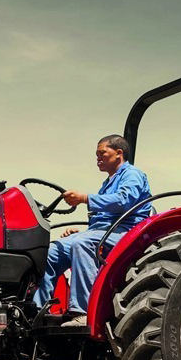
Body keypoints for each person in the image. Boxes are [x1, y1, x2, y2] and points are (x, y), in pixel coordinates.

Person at [33, 134, 152, 327]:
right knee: (52, 251)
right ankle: (37, 312)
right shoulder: (108, 183)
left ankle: (82, 313)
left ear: (119, 153)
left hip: (126, 231)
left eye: (102, 153)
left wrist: (84, 198)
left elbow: (123, 201)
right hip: (102, 232)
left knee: (83, 244)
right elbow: (102, 220)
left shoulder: (132, 174)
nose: (97, 158)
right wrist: (81, 231)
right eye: (96, 155)